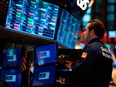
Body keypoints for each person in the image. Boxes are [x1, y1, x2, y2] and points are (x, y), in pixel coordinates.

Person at [65, 19, 113, 87]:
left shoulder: (90, 48)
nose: (84, 33)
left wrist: (72, 65)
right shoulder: (106, 50)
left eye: (86, 30)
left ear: (92, 32)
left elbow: (81, 71)